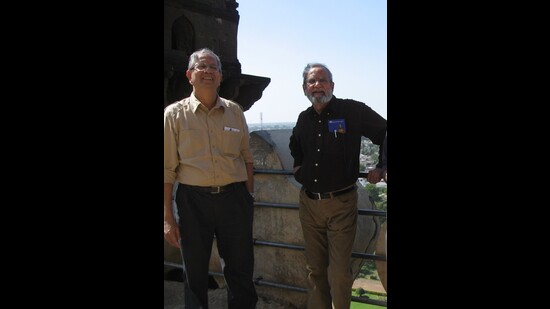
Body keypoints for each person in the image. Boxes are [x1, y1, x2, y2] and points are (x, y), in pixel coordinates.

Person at [164, 47, 258, 309]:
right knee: (194, 272)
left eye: (213, 68)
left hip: (234, 198)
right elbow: (167, 169)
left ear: (220, 76)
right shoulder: (173, 115)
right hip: (193, 201)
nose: (207, 72)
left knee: (240, 270)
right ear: (189, 75)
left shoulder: (235, 111)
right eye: (201, 67)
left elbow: (246, 157)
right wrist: (167, 218)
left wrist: (247, 197)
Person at [289, 63, 386, 309]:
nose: (317, 85)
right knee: (315, 271)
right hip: (309, 204)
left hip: (341, 204)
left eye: (322, 80)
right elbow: (295, 145)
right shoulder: (304, 118)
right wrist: (299, 167)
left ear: (332, 85)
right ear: (304, 88)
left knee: (340, 273)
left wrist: (382, 165)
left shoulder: (352, 111)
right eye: (312, 81)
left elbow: (385, 131)